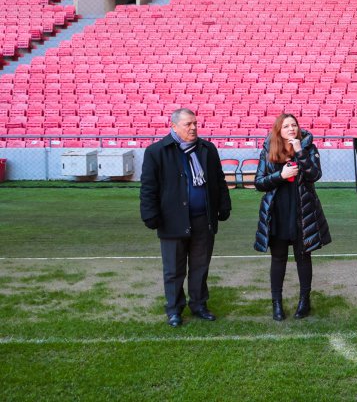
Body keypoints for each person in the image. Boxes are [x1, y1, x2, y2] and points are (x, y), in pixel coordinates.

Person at [140, 108, 232, 328]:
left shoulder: (207, 149)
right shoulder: (156, 152)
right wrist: (149, 215)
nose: (193, 128)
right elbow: (148, 188)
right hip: (172, 220)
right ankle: (174, 309)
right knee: (173, 269)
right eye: (188, 124)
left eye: (195, 123)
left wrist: (224, 205)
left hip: (203, 219)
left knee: (200, 266)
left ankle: (199, 305)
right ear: (173, 126)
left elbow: (218, 180)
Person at [254, 113, 331, 321]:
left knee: (303, 257)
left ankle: (304, 301)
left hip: (302, 212)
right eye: (286, 126)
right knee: (278, 258)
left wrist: (300, 151)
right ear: (279, 130)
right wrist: (280, 176)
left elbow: (315, 175)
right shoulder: (268, 149)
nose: (291, 129)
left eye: (294, 125)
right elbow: (259, 183)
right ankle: (276, 304)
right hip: (277, 213)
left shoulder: (308, 148)